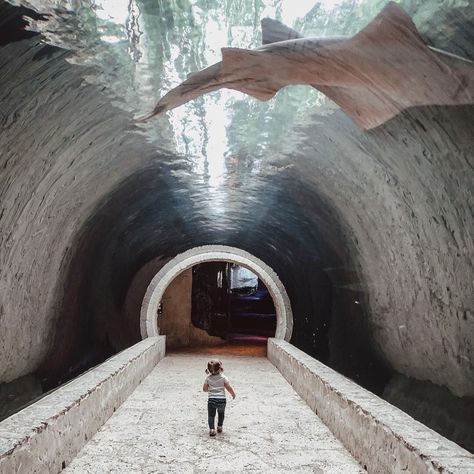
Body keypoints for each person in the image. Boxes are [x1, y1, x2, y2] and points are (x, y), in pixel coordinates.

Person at [202, 359, 236, 437]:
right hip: (222, 400)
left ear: (209, 370)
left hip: (211, 400)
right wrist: (233, 394)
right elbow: (228, 387)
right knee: (221, 413)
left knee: (211, 415)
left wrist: (210, 389)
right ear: (220, 368)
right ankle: (220, 426)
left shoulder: (208, 378)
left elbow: (204, 389)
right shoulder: (223, 377)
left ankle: (212, 429)